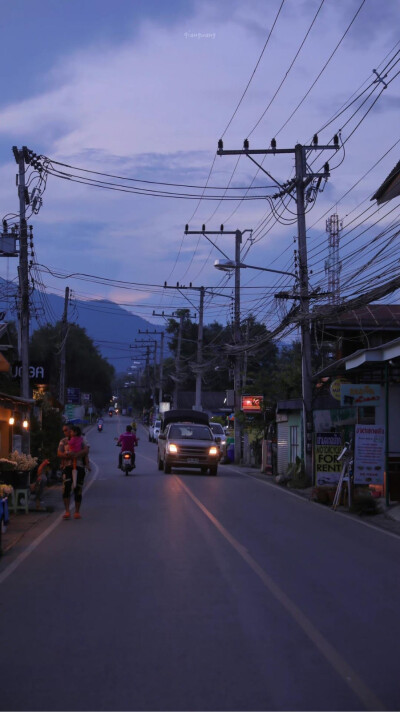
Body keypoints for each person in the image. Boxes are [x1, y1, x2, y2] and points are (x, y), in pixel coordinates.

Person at [57, 424, 89, 520]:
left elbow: (86, 450)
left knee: (78, 489)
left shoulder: (81, 439)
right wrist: (66, 456)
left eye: (66, 430)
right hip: (67, 467)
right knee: (66, 488)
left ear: (72, 430)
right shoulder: (63, 441)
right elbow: (59, 453)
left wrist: (76, 455)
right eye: (64, 431)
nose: (65, 432)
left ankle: (77, 512)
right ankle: (67, 511)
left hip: (79, 467)